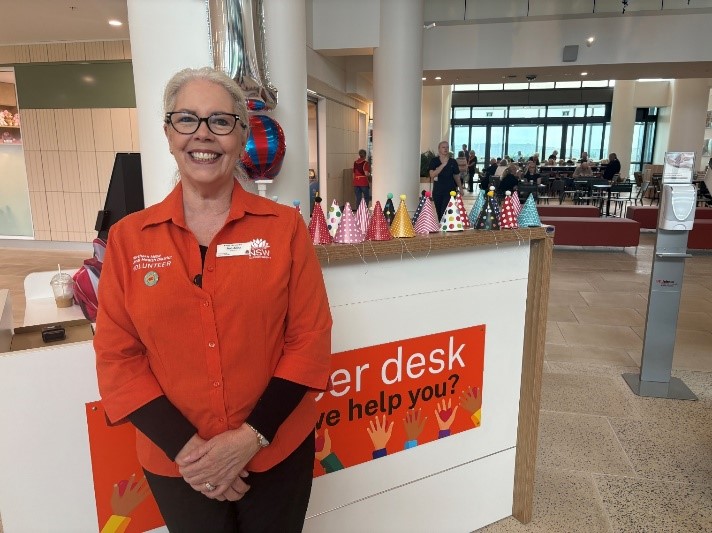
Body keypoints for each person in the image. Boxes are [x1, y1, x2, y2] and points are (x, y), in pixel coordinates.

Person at [94, 67, 333, 532]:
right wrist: (194, 454)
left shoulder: (283, 229)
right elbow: (117, 357)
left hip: (276, 448)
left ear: (242, 134)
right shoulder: (129, 239)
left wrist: (248, 439)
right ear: (168, 133)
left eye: (221, 121)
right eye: (188, 119)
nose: (203, 135)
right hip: (179, 465)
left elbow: (310, 339)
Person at [429, 141, 463, 220]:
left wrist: (461, 188)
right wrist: (443, 165)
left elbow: (456, 176)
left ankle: (446, 228)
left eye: (447, 147)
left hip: (450, 191)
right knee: (439, 213)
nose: (446, 149)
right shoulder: (434, 161)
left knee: (445, 211)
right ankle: (442, 228)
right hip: (437, 191)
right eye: (443, 147)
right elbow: (432, 175)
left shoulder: (453, 162)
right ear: (439, 149)